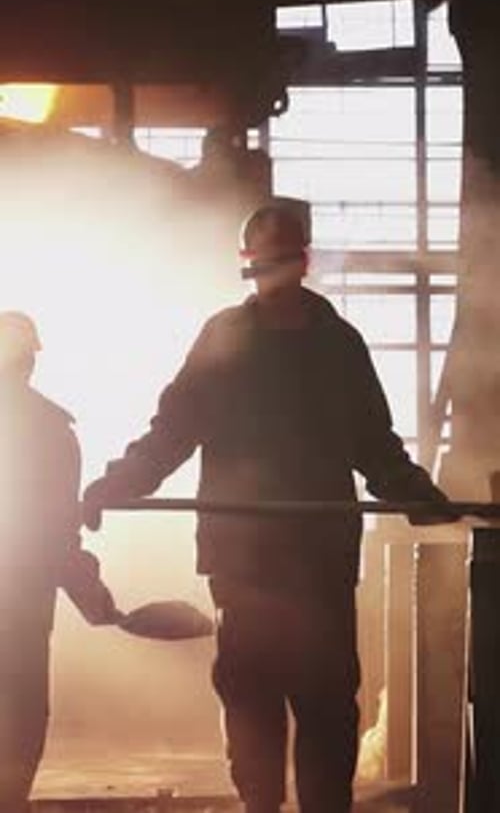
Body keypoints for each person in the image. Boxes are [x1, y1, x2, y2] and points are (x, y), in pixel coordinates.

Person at [82, 197, 452, 813]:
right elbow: (172, 431)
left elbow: (373, 445)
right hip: (247, 566)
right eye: (264, 262)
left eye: (280, 259)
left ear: (301, 261)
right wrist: (118, 482)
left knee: (325, 706)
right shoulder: (231, 339)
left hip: (315, 565)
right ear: (251, 264)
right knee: (253, 704)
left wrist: (418, 494)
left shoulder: (337, 346)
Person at [0, 311, 115, 813]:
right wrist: (92, 596)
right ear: (31, 362)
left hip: (22, 596)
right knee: (20, 708)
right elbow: (56, 533)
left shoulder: (51, 429)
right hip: (23, 603)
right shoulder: (51, 430)